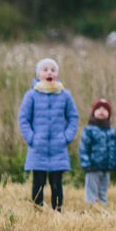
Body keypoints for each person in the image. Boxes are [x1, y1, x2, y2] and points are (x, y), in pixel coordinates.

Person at [18, 57, 79, 211]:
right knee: (38, 182)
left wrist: (66, 137)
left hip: (58, 147)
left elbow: (73, 117)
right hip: (38, 147)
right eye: (45, 69)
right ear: (38, 74)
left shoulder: (65, 95)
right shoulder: (31, 95)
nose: (49, 72)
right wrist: (31, 138)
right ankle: (37, 211)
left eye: (53, 69)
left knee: (57, 183)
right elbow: (23, 119)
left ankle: (57, 211)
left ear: (57, 74)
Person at [79, 98, 116, 207]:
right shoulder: (89, 130)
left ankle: (103, 205)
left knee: (103, 189)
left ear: (109, 114)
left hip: (106, 167)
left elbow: (115, 149)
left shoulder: (111, 131)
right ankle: (91, 205)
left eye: (105, 109)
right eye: (98, 109)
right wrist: (86, 163)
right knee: (92, 189)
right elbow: (83, 148)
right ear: (93, 113)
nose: (102, 111)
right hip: (92, 167)